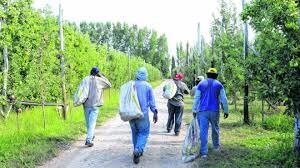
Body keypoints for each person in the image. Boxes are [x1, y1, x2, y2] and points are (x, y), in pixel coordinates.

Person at [192, 68, 229, 158]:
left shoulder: (201, 84)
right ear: (216, 76)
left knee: (203, 131)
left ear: (207, 75)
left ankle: (204, 152)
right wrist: (226, 110)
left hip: (202, 111)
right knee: (215, 129)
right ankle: (216, 147)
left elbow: (197, 98)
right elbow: (224, 99)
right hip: (214, 111)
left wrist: (194, 110)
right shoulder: (219, 85)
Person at [130, 67, 158, 164]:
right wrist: (155, 112)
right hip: (143, 114)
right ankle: (138, 150)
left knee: (135, 133)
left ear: (137, 74)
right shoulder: (148, 86)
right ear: (145, 75)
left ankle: (136, 149)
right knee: (143, 132)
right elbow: (151, 102)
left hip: (131, 114)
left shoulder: (131, 85)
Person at [83, 67, 112, 147]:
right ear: (97, 73)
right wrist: (102, 76)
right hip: (95, 105)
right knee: (92, 123)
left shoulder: (85, 79)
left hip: (86, 104)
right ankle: (89, 139)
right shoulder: (99, 80)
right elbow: (109, 84)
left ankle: (90, 136)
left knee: (88, 123)